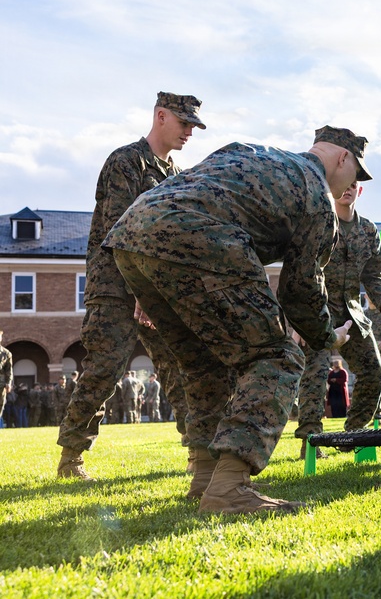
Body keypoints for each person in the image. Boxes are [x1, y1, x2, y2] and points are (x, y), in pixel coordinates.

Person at [104, 126, 362, 514]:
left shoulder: (251, 150)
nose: (352, 184)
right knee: (277, 357)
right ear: (343, 158)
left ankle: (206, 478)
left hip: (132, 233)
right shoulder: (318, 198)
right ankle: (229, 487)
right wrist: (329, 337)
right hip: (200, 237)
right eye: (356, 173)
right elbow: (300, 292)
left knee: (203, 362)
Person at [57, 92, 204, 480]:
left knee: (180, 367)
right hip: (115, 288)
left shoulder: (175, 176)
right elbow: (119, 232)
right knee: (106, 368)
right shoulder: (126, 161)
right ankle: (72, 456)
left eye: (193, 125)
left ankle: (199, 455)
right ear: (160, 116)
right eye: (184, 122)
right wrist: (140, 292)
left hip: (155, 290)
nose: (190, 131)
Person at [296, 163, 381, 458]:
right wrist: (297, 318)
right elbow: (301, 271)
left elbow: (374, 274)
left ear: (359, 191)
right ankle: (310, 443)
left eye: (355, 185)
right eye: (345, 183)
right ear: (333, 188)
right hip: (318, 310)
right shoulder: (318, 223)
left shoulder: (368, 230)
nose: (349, 189)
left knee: (373, 372)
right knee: (315, 374)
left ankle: (353, 435)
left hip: (353, 315)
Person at [0, 330, 9, 425]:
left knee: (1, 406)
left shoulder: (6, 353)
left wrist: (8, 383)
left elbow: (9, 370)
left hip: (1, 385)